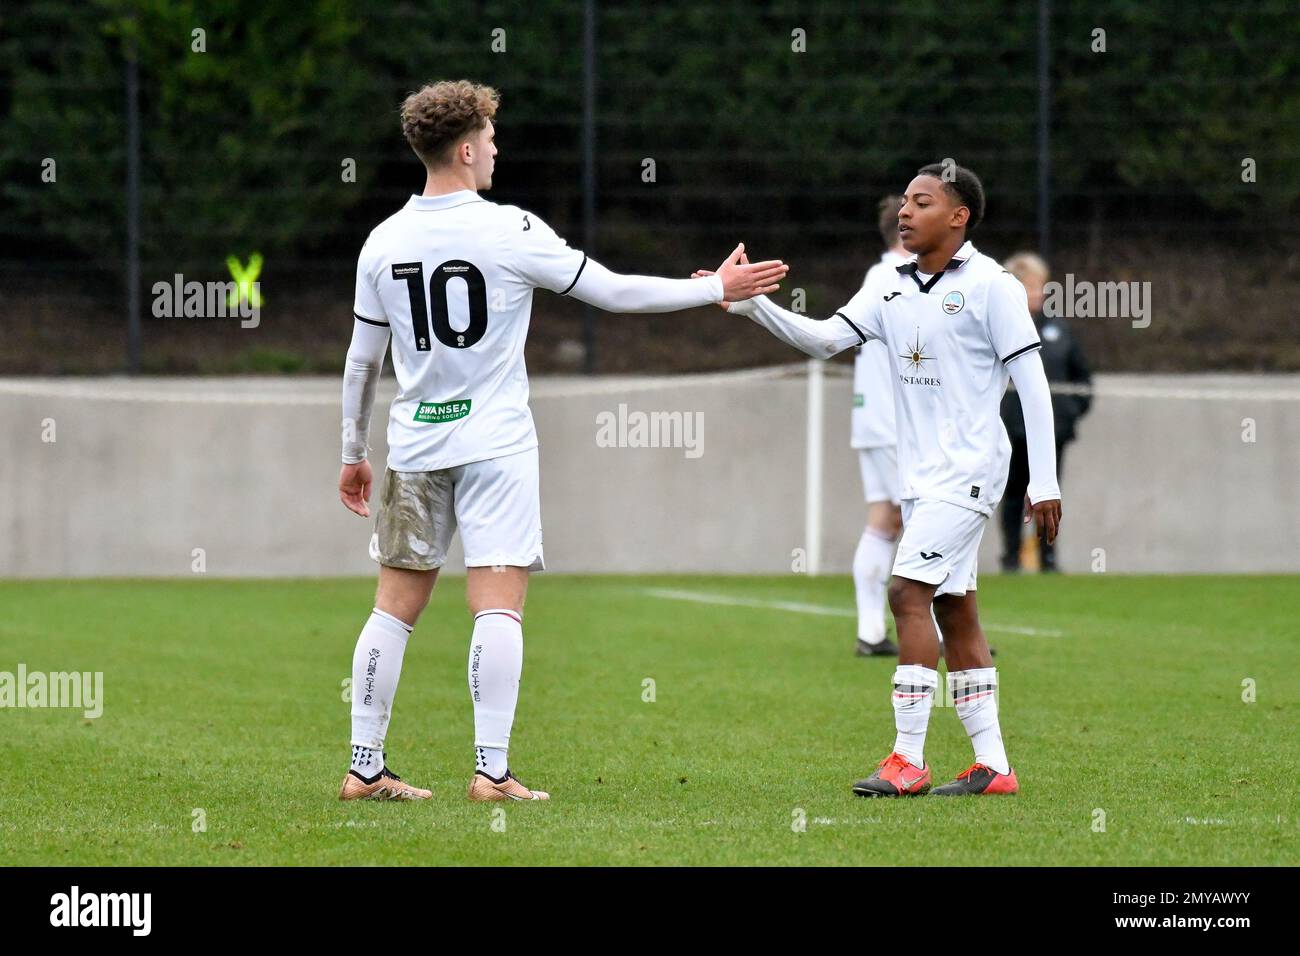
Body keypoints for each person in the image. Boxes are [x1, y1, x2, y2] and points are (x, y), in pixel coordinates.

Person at [336, 80, 787, 802]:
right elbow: (611, 291)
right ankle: (490, 772)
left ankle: (364, 768)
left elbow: (363, 361)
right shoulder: (511, 229)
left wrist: (352, 452)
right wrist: (714, 290)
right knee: (497, 605)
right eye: (488, 136)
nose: (495, 148)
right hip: (495, 445)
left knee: (393, 608)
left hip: (413, 448)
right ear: (463, 147)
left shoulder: (382, 242)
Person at [697, 163, 1059, 796]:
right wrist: (750, 305)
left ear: (958, 216)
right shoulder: (889, 285)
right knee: (954, 607)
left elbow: (1031, 382)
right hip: (920, 477)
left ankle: (907, 760)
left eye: (923, 203)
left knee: (906, 594)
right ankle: (995, 767)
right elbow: (823, 340)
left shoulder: (992, 286)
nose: (906, 212)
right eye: (905, 203)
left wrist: (1045, 481)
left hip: (970, 470)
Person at [998, 252, 1091, 573]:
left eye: (1040, 286)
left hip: (1053, 432)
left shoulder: (1059, 331)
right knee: (1013, 493)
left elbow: (1082, 379)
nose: (1038, 293)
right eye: (1030, 287)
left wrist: (1068, 412)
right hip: (1011, 431)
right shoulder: (1000, 329)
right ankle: (1011, 559)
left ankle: (1047, 559)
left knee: (1047, 494)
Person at [851, 197, 908, 657]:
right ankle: (944, 630)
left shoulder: (882, 275)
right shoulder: (895, 278)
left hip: (875, 419)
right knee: (924, 519)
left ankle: (871, 631)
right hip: (892, 423)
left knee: (886, 519)